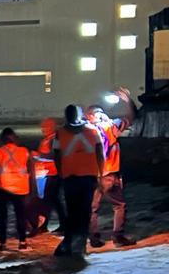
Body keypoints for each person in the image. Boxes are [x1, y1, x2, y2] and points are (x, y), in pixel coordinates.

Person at [86, 89, 138, 247]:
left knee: (92, 208)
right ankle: (117, 236)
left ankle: (94, 238)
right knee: (119, 205)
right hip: (109, 174)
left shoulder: (86, 130)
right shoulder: (109, 126)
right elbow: (131, 117)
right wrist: (127, 100)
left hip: (92, 175)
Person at [51, 105, 104, 257]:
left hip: (70, 177)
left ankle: (68, 243)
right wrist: (100, 174)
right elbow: (100, 153)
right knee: (85, 212)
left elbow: (56, 155)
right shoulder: (93, 131)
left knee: (72, 212)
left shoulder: (60, 133)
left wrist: (61, 173)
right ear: (80, 115)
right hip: (89, 177)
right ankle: (80, 246)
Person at [0, 127, 33, 251]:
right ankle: (22, 242)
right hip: (20, 188)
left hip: (2, 188)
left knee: (3, 217)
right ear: (15, 139)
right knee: (20, 216)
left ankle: (3, 244)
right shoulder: (24, 151)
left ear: (2, 139)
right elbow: (30, 170)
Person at [32, 117, 67, 235]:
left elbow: (54, 156)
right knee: (53, 200)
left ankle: (46, 225)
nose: (43, 129)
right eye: (42, 127)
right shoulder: (47, 139)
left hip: (53, 174)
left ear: (52, 127)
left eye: (45, 127)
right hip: (47, 173)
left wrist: (38, 156)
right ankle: (59, 224)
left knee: (49, 200)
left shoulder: (54, 139)